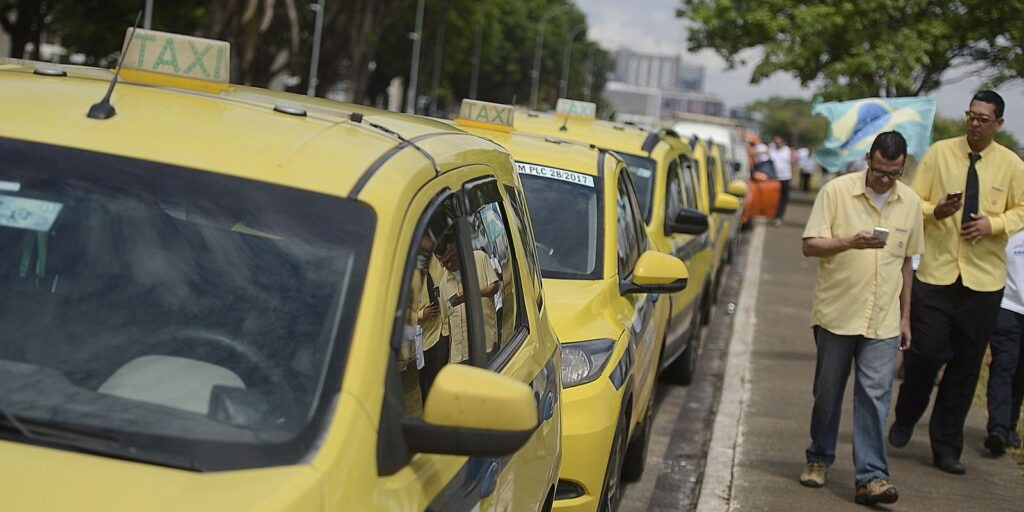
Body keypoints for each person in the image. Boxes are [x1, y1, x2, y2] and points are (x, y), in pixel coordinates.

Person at [890, 90, 1024, 475]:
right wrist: (937, 210)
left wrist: (993, 224)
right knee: (926, 353)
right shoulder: (940, 153)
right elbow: (914, 200)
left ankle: (946, 446)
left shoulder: (1012, 165)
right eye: (971, 115)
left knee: (965, 368)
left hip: (983, 282)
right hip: (937, 273)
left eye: (984, 118)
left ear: (998, 124)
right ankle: (906, 414)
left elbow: (1021, 210)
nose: (975, 123)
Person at [800, 131, 923, 506]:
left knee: (875, 397)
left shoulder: (911, 202)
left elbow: (907, 264)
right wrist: (849, 242)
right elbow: (809, 245)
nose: (886, 180)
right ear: (869, 159)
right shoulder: (836, 192)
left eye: (894, 174)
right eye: (881, 171)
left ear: (902, 168)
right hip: (837, 314)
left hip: (883, 319)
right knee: (827, 394)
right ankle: (819, 458)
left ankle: (871, 477)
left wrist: (905, 318)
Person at [984, 229, 1024, 455]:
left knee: (1020, 370)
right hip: (1007, 306)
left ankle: (1010, 425)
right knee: (1004, 364)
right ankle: (997, 429)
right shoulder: (1011, 228)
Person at [434, 237, 500, 363]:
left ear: (458, 249)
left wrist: (473, 295)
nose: (448, 265)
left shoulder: (480, 258)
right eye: (443, 263)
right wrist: (449, 360)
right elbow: (449, 325)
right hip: (459, 358)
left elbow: (494, 287)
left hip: (484, 348)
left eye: (450, 259)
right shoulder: (443, 285)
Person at [770, 135, 794, 225]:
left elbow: (793, 164)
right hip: (774, 178)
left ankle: (779, 217)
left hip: (785, 178)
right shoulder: (772, 149)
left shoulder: (787, 151)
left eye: (778, 141)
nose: (777, 143)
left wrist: (793, 178)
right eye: (775, 142)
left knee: (783, 199)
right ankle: (773, 214)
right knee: (774, 198)